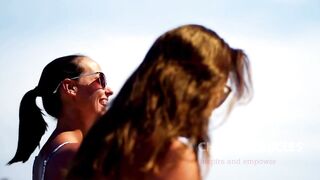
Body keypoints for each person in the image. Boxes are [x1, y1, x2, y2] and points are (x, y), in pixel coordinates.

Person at [67, 24, 253, 180]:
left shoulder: (100, 142)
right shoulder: (170, 157)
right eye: (218, 92)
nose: (214, 105)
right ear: (194, 89)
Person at [8, 55, 113, 180]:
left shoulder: (49, 154)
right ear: (70, 88)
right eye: (100, 80)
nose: (109, 90)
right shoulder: (74, 155)